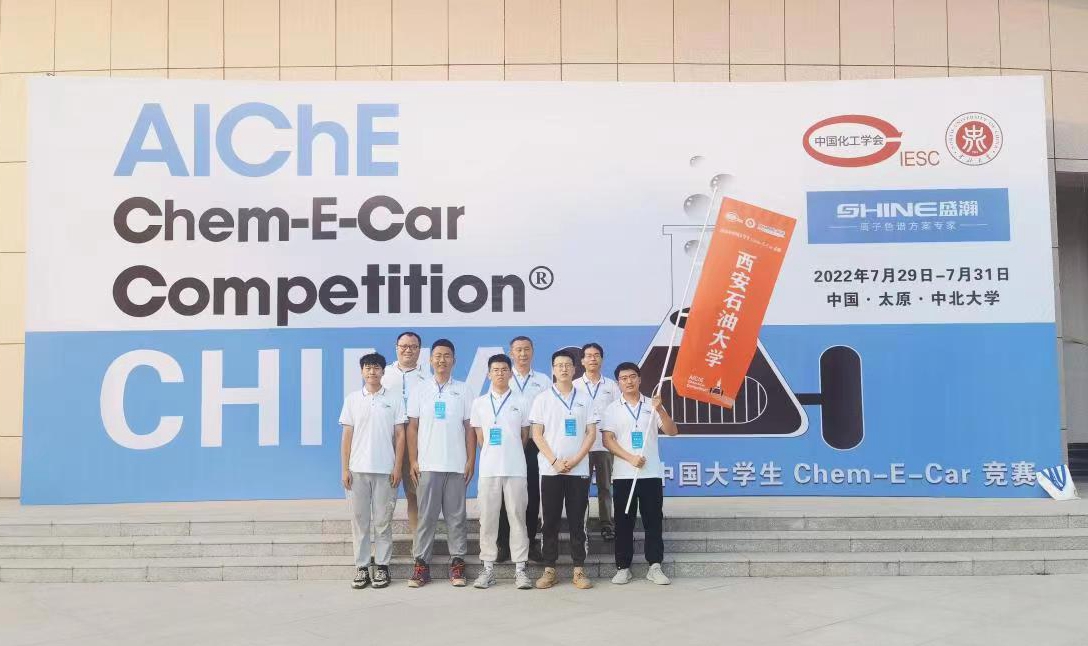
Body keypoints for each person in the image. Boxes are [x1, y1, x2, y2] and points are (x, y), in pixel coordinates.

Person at [600, 362, 678, 586]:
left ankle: (655, 566)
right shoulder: (612, 409)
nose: (629, 381)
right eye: (624, 378)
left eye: (632, 376)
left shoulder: (652, 405)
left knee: (653, 521)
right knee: (623, 522)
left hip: (651, 473)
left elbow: (672, 431)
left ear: (640, 379)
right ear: (618, 383)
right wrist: (630, 458)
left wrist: (660, 409)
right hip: (624, 475)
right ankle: (623, 567)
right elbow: (607, 440)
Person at [407, 339, 476, 588]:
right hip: (428, 465)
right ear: (430, 359)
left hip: (456, 465)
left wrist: (470, 460)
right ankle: (421, 565)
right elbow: (412, 427)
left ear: (454, 360)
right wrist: (413, 460)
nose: (442, 360)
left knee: (456, 517)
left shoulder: (464, 390)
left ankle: (457, 563)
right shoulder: (420, 389)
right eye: (438, 355)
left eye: (447, 355)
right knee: (426, 517)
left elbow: (469, 428)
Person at [530, 350, 598, 590]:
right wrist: (554, 461)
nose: (564, 369)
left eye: (568, 365)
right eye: (559, 365)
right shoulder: (542, 399)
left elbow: (591, 433)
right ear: (553, 369)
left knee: (578, 521)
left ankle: (579, 569)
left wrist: (576, 459)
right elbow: (536, 434)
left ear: (575, 369)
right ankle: (550, 569)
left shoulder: (585, 399)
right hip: (551, 471)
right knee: (549, 521)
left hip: (578, 470)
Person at [339, 352, 406, 590]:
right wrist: (345, 469)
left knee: (383, 522)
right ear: (361, 372)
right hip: (357, 471)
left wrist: (397, 467)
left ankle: (383, 567)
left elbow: (400, 435)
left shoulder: (395, 399)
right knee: (360, 522)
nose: (372, 371)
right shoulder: (352, 399)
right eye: (367, 367)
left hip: (385, 470)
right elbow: (347, 436)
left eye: (376, 367)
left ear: (383, 371)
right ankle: (362, 567)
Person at [469, 354, 534, 590]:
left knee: (517, 517)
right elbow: (480, 438)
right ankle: (487, 569)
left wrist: (511, 452)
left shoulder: (522, 401)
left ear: (510, 373)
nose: (500, 373)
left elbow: (524, 436)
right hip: (489, 470)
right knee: (487, 519)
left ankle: (520, 569)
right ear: (488, 374)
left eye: (504, 369)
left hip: (516, 468)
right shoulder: (479, 403)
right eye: (495, 370)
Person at [496, 335, 551, 563]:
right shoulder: (503, 377)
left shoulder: (543, 380)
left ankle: (530, 542)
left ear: (532, 351)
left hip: (534, 444)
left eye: (526, 349)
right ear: (511, 353)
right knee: (504, 494)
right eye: (518, 350)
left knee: (532, 494)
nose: (522, 354)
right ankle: (503, 544)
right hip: (509, 444)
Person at [381, 331, 429, 534]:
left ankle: (418, 544)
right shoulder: (383, 373)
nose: (408, 350)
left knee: (414, 494)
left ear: (419, 350)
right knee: (382, 497)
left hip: (416, 440)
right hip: (387, 440)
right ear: (396, 348)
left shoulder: (428, 376)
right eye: (404, 346)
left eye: (413, 346)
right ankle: (381, 546)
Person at [576, 342, 620, 541]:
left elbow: (618, 412)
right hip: (581, 446)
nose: (592, 358)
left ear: (601, 359)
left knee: (605, 487)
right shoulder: (575, 385)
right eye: (588, 355)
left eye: (596, 355)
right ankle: (580, 524)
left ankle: (607, 524)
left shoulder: (611, 386)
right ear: (582, 361)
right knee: (580, 489)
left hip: (604, 445)